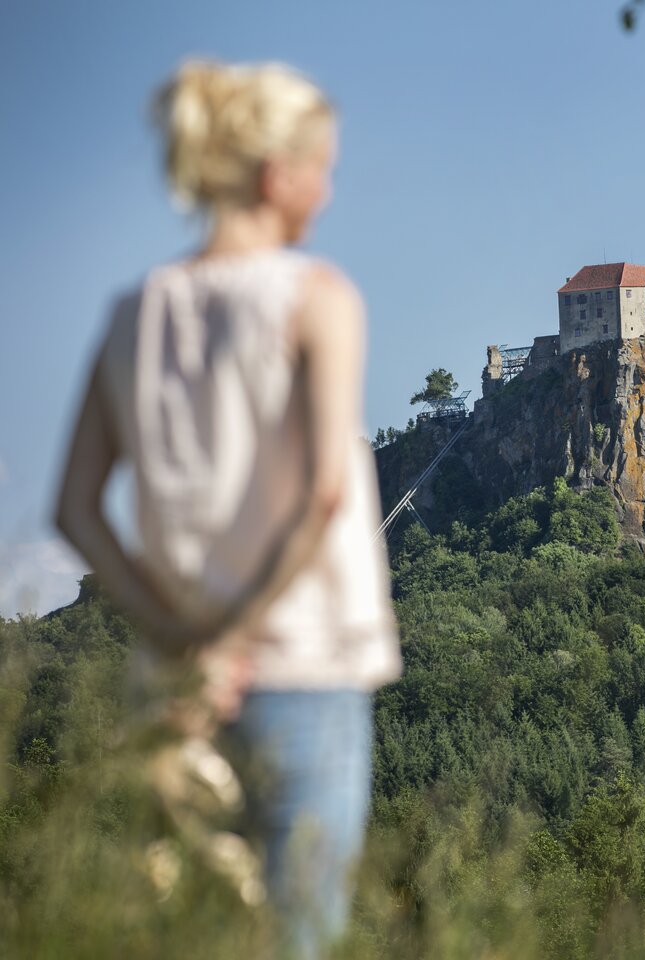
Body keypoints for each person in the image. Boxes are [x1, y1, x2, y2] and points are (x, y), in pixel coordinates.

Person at [52, 58, 402, 959]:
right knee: (299, 936)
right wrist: (233, 642)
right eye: (323, 168)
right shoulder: (317, 298)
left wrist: (177, 635)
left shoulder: (133, 314)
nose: (329, 189)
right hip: (303, 666)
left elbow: (75, 509)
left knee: (191, 937)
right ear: (276, 174)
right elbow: (324, 495)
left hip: (172, 686)